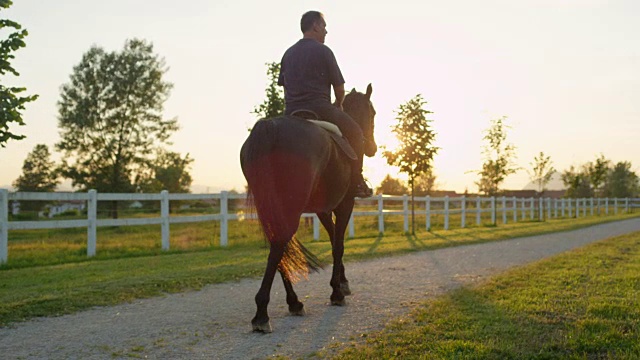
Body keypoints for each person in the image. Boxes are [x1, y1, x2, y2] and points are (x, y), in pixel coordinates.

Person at [278, 10, 373, 198]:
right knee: (356, 133)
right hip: (320, 108)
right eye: (324, 26)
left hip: (291, 111)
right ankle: (357, 182)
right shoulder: (324, 51)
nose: (326, 31)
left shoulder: (287, 54)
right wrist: (339, 104)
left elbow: (285, 87)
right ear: (315, 26)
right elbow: (339, 87)